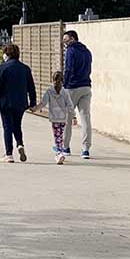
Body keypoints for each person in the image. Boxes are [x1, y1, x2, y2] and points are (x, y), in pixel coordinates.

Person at [0, 43, 36, 163]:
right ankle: (20, 144)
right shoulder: (25, 68)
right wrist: (33, 102)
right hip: (21, 102)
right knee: (17, 125)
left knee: (7, 127)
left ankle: (9, 154)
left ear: (6, 54)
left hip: (5, 102)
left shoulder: (3, 68)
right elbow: (31, 87)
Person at [62, 30, 93, 159]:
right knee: (85, 118)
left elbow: (68, 69)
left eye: (66, 40)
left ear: (73, 39)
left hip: (72, 87)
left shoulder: (71, 51)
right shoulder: (87, 51)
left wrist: (64, 85)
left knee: (67, 118)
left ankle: (65, 147)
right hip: (86, 86)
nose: (64, 43)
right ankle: (85, 149)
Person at [40, 70, 73, 164]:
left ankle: (59, 153)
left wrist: (34, 108)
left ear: (52, 79)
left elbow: (43, 103)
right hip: (63, 118)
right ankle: (59, 150)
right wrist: (73, 117)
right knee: (60, 135)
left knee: (57, 136)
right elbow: (70, 105)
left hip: (54, 118)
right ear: (62, 80)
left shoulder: (49, 91)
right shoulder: (65, 92)